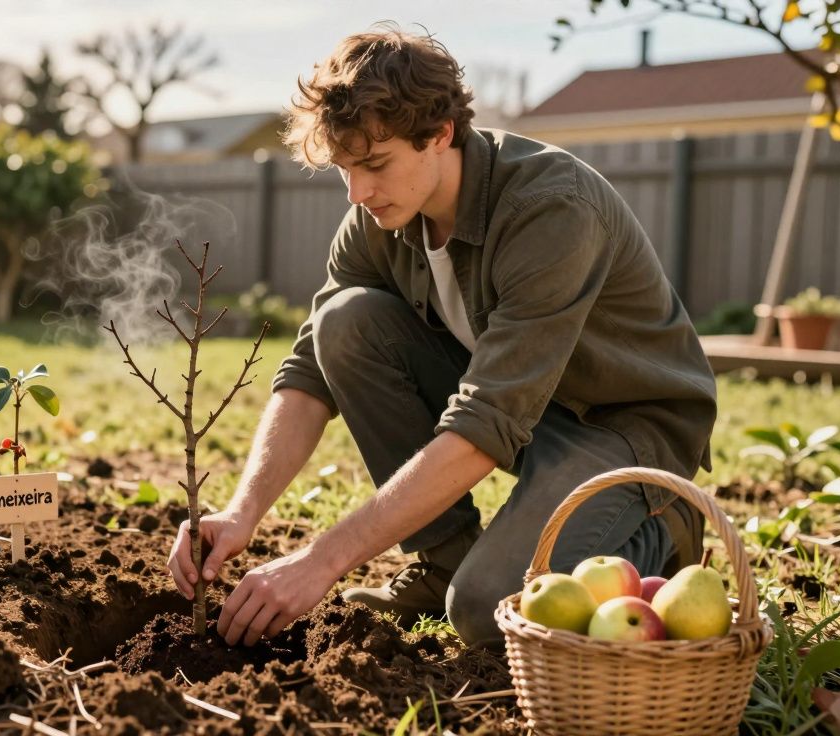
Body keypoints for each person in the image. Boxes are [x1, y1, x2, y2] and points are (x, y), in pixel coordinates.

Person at [164, 25, 717, 650]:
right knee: (344, 321)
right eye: (345, 169)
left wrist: (321, 560)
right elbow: (310, 370)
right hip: (531, 419)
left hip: (626, 429)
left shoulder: (551, 209)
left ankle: (658, 530)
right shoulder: (377, 216)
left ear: (440, 134)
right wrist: (241, 513)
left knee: (488, 610)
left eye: (374, 164)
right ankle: (444, 560)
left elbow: (487, 419)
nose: (358, 192)